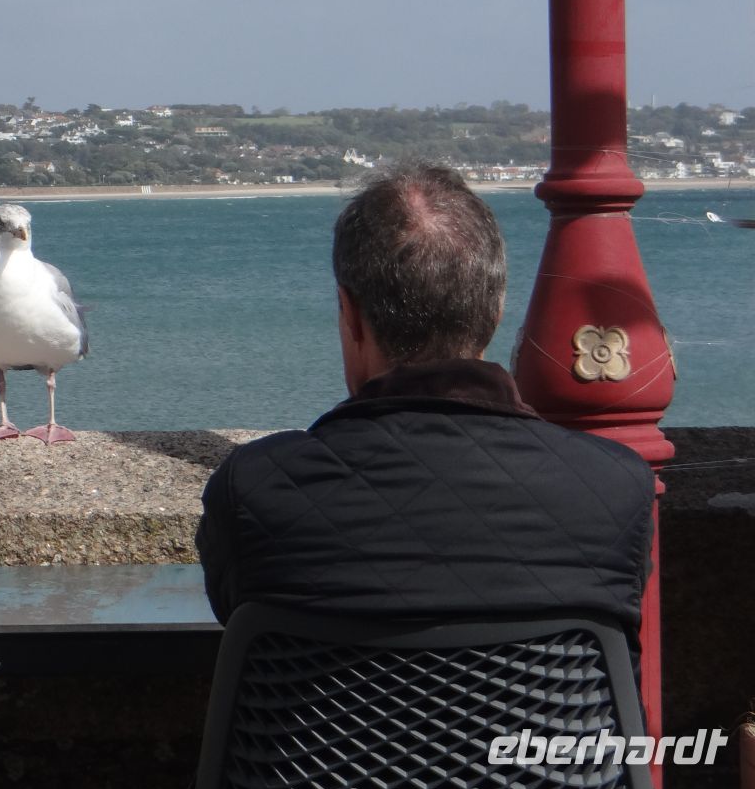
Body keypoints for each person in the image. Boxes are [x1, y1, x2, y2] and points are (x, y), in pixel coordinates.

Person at [195, 163, 656, 668]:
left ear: (350, 315)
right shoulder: (616, 489)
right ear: (497, 309)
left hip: (335, 748)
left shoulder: (255, 490)